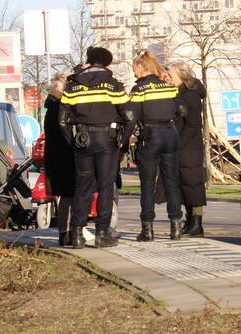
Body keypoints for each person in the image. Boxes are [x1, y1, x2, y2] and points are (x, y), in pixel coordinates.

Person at [58, 46, 129, 249]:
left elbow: (62, 121)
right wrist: (122, 140)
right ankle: (101, 233)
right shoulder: (113, 86)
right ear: (107, 63)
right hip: (107, 140)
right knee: (106, 186)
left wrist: (73, 143)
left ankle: (77, 234)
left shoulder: (72, 86)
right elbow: (129, 115)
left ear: (89, 60)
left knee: (83, 187)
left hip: (83, 140)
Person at [125, 51, 184, 241]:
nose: (133, 71)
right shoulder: (168, 86)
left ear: (141, 67)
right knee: (172, 182)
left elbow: (130, 117)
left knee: (148, 185)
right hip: (170, 134)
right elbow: (183, 110)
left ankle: (147, 229)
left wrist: (123, 140)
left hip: (150, 137)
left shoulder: (140, 89)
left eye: (134, 67)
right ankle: (176, 227)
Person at [166, 60, 207, 238]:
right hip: (184, 147)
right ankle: (191, 222)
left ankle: (196, 225)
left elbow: (192, 125)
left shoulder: (189, 96)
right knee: (186, 186)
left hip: (189, 148)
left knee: (193, 186)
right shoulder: (180, 93)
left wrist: (178, 143)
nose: (168, 77)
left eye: (171, 74)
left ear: (181, 75)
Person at [42, 71, 76, 247]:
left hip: (56, 158)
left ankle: (65, 233)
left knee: (66, 197)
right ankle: (68, 233)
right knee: (70, 196)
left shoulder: (51, 107)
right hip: (65, 157)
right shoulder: (60, 109)